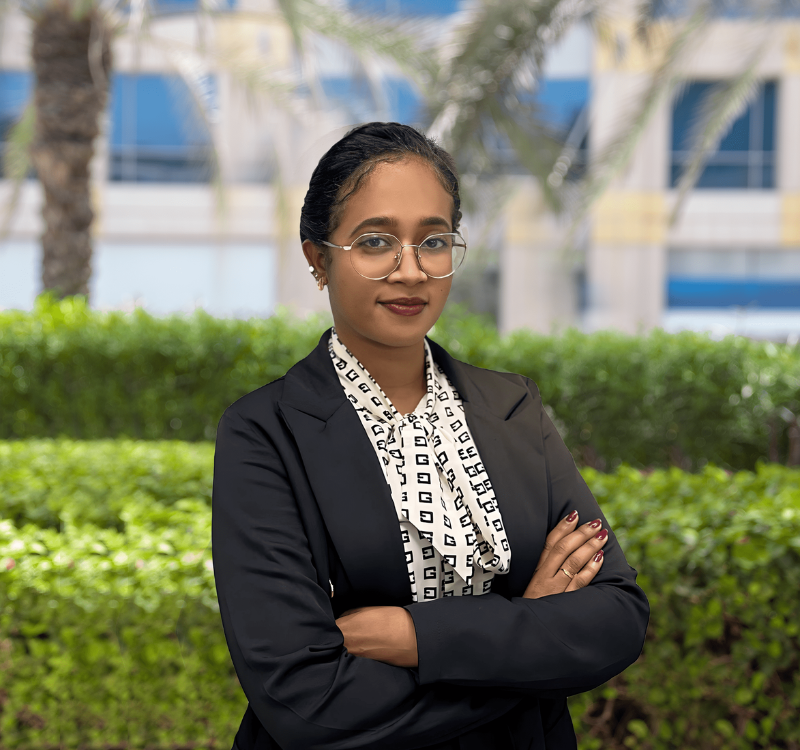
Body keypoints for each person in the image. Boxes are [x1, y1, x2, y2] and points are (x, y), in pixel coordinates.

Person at [211, 122, 649, 750]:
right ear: (318, 258)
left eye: (434, 241)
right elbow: (307, 701)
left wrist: (416, 637)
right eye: (375, 242)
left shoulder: (511, 407)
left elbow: (617, 619)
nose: (411, 270)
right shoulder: (266, 432)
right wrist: (529, 631)